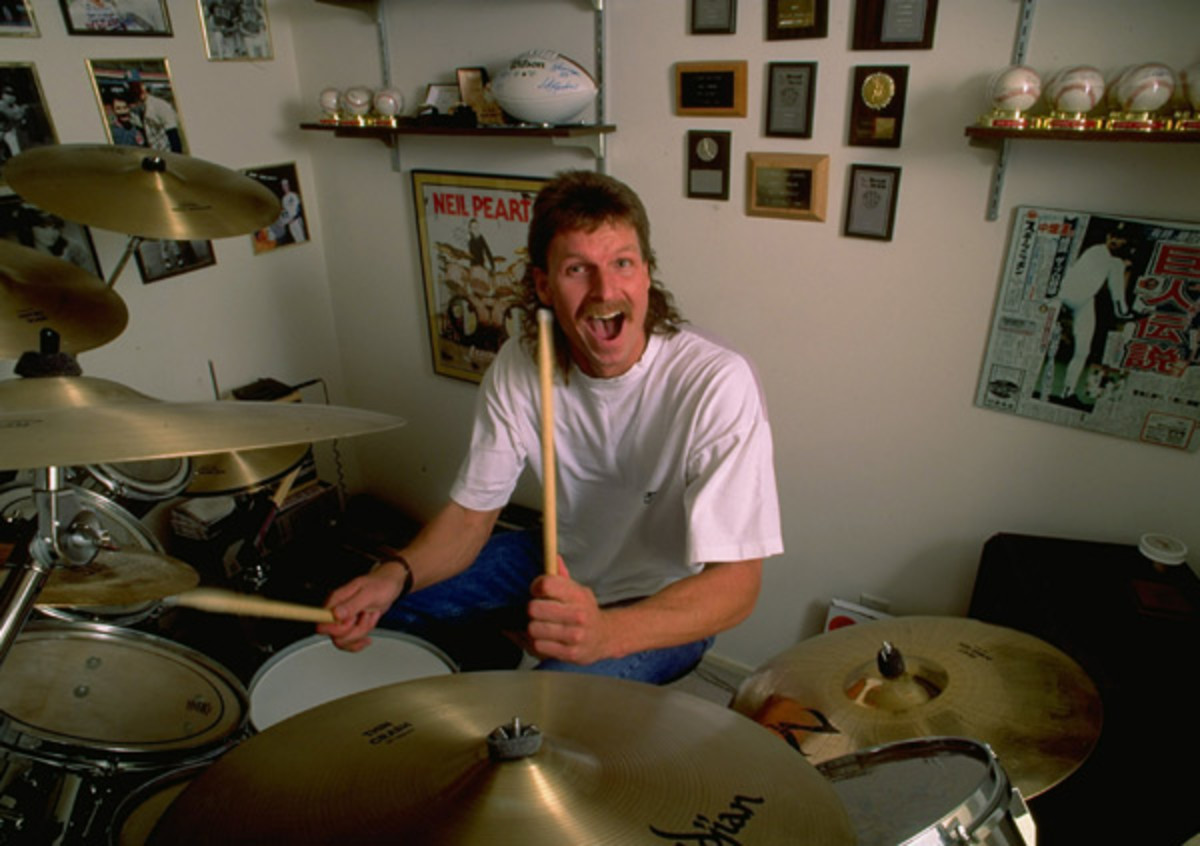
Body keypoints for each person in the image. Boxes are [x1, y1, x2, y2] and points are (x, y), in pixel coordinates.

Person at [319, 170, 782, 684]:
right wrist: (394, 574)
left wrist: (605, 633)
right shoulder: (521, 365)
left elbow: (738, 584)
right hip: (556, 557)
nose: (605, 290)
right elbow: (471, 519)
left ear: (647, 274)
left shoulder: (715, 380)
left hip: (660, 599)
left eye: (622, 263)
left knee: (550, 698)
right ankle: (482, 673)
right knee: (396, 613)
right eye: (577, 269)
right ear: (543, 285)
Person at [1050, 225, 1133, 402]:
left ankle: (1067, 392)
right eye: (1113, 236)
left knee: (1083, 351)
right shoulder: (1097, 252)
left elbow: (1116, 291)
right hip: (1062, 297)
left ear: (1125, 242)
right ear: (1108, 235)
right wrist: (1122, 265)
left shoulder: (1114, 262)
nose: (1115, 240)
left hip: (1085, 302)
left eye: (1120, 238)